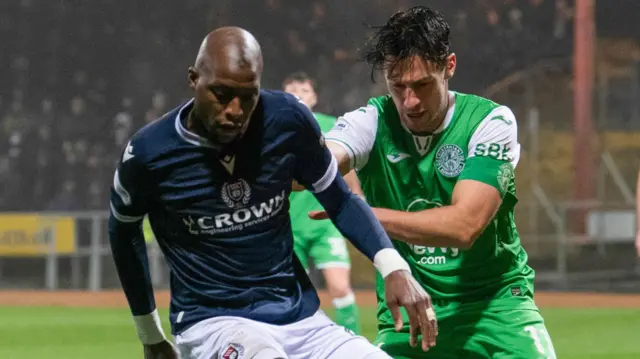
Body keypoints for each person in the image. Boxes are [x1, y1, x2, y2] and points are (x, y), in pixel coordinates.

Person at [108, 26, 437, 359]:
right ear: (194, 80)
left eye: (247, 95)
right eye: (221, 94)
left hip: (301, 319)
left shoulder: (288, 120)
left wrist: (395, 268)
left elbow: (340, 199)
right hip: (213, 322)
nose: (235, 110)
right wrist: (149, 334)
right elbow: (123, 231)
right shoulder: (150, 153)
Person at [317, 6, 557, 358]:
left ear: (450, 66)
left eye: (422, 85)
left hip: (496, 307)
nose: (409, 102)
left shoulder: (489, 122)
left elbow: (464, 226)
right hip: (410, 313)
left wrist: (361, 214)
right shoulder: (369, 122)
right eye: (398, 87)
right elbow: (318, 162)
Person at [282, 71, 361, 335]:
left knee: (339, 287)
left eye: (303, 90)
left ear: (314, 97)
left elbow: (348, 169)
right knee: (295, 294)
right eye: (292, 89)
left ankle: (354, 344)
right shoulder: (275, 127)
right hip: (290, 223)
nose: (298, 95)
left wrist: (358, 202)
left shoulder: (331, 126)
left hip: (326, 222)